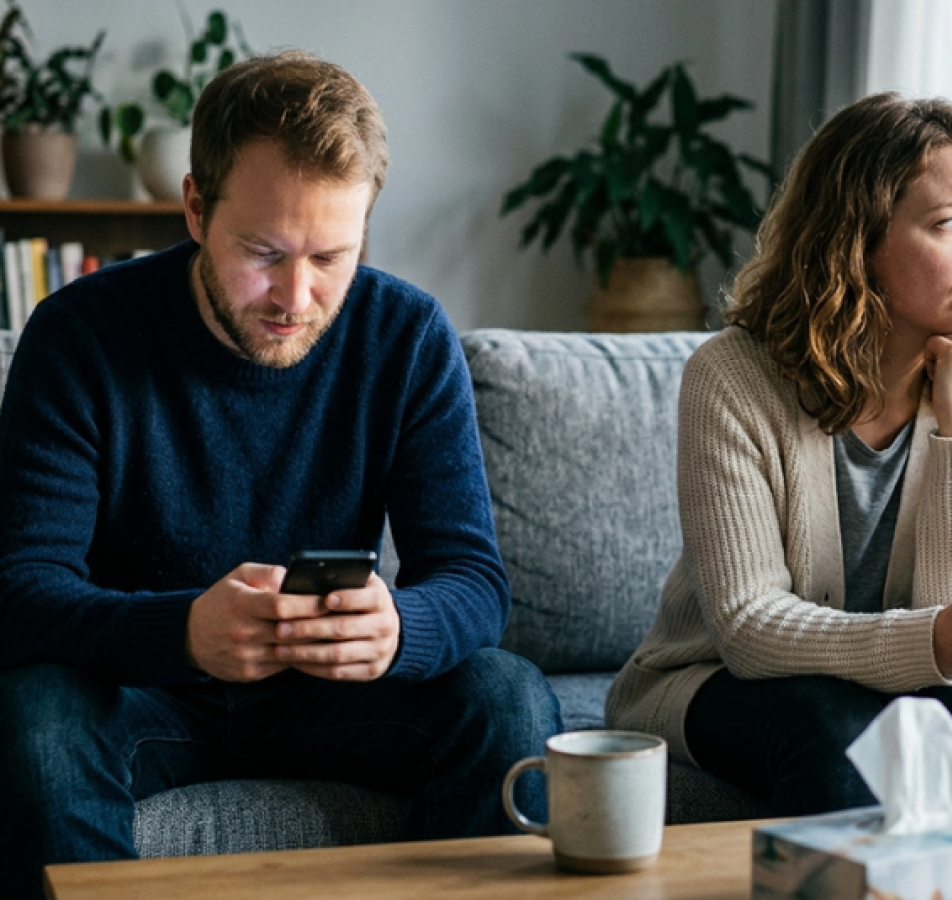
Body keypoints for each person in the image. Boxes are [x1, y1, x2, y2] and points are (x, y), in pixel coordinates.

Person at [0, 51, 560, 897]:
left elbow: (475, 582)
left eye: (332, 257)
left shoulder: (405, 336)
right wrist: (184, 632)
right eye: (264, 252)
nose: (295, 297)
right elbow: (19, 589)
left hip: (331, 695)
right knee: (33, 716)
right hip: (143, 689)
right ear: (194, 206)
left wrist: (401, 628)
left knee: (506, 696)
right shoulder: (79, 335)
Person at [606, 92, 952, 816]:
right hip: (720, 679)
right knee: (836, 728)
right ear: (856, 242)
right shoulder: (732, 378)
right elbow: (750, 629)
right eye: (951, 224)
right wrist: (940, 637)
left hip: (935, 677)